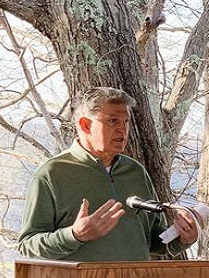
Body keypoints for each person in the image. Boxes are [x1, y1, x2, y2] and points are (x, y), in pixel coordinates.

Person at [17, 87, 197, 261]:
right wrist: (74, 235)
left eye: (126, 122)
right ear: (85, 125)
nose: (122, 129)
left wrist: (182, 238)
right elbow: (28, 245)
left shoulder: (135, 171)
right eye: (113, 121)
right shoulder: (53, 173)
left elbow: (153, 240)